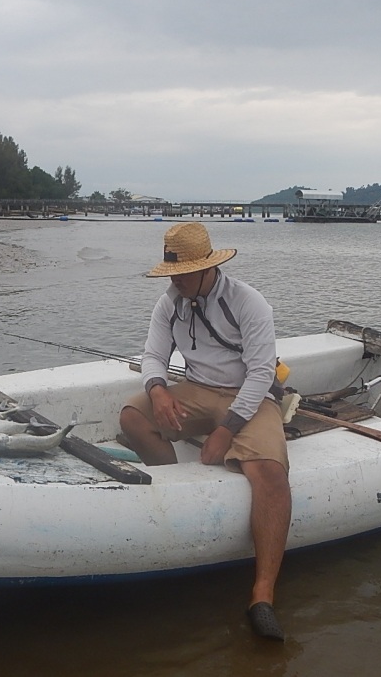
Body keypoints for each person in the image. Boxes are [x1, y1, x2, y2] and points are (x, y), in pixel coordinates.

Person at [119, 221, 292, 641]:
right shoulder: (169, 303)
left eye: (182, 274)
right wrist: (158, 391)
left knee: (269, 473)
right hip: (196, 388)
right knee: (132, 416)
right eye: (171, 274)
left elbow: (261, 373)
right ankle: (178, 486)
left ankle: (262, 593)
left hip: (248, 395)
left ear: (207, 268)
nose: (175, 281)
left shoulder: (249, 303)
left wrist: (227, 429)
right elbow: (153, 355)